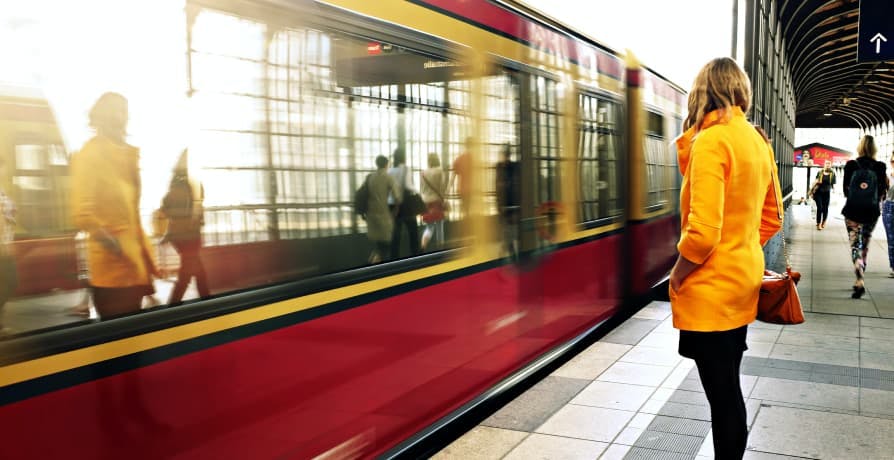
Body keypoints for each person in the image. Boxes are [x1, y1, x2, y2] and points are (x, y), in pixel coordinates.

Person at [669, 57, 782, 459]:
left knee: (722, 394)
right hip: (741, 284)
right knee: (726, 387)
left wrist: (678, 275)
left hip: (711, 289)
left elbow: (701, 234)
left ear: (702, 92)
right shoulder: (757, 140)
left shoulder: (713, 142)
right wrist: (742, 246)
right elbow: (773, 216)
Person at [70, 92, 158, 319]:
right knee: (120, 344)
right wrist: (116, 245)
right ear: (101, 117)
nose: (122, 117)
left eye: (125, 111)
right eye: (116, 111)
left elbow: (133, 214)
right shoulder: (91, 154)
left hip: (135, 268)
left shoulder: (129, 154)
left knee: (134, 342)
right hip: (111, 274)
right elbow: (83, 213)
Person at [160, 149, 210, 304]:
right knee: (187, 273)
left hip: (179, 238)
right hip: (191, 236)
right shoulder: (194, 185)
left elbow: (165, 210)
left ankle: (206, 299)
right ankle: (175, 305)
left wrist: (169, 233)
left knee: (197, 271)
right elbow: (199, 208)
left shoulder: (172, 188)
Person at [842, 135, 888, 298]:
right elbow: (883, 190)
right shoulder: (880, 167)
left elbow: (845, 191)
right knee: (865, 244)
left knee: (855, 244)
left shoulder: (851, 165)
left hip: (852, 210)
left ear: (859, 147)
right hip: (871, 211)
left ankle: (859, 275)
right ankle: (861, 276)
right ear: (875, 148)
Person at [367, 155, 401, 263]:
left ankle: (371, 265)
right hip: (383, 215)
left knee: (378, 245)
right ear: (386, 164)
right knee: (385, 245)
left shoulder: (370, 177)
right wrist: (395, 210)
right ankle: (376, 268)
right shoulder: (388, 177)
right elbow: (397, 196)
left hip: (371, 215)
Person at [389, 148, 420, 259]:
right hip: (406, 205)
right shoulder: (406, 169)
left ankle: (394, 259)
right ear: (404, 157)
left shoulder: (390, 171)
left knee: (395, 235)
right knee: (413, 232)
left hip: (392, 205)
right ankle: (415, 257)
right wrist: (416, 190)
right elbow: (408, 185)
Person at [0, 155, 16, 335]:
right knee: (10, 281)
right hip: (2, 246)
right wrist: (4, 245)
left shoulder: (2, 188)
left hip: (5, 243)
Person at [495, 144, 520, 258]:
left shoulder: (513, 167)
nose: (504, 157)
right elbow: (497, 186)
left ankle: (507, 253)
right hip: (503, 204)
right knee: (507, 230)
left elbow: (515, 185)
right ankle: (509, 252)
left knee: (508, 230)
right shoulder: (499, 167)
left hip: (511, 204)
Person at [420, 153, 448, 250]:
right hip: (437, 201)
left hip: (426, 202)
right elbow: (442, 187)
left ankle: (423, 245)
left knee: (429, 228)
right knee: (440, 226)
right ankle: (440, 248)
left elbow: (422, 189)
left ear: (429, 161)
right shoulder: (440, 171)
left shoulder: (423, 173)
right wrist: (443, 199)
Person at [810, 160, 836, 230]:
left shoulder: (832, 173)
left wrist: (834, 190)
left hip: (827, 193)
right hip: (818, 192)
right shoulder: (820, 172)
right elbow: (815, 181)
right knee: (820, 208)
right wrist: (812, 191)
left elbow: (833, 183)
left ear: (831, 165)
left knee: (825, 209)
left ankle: (823, 222)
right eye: (826, 163)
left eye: (829, 164)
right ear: (824, 164)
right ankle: (818, 224)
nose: (828, 165)